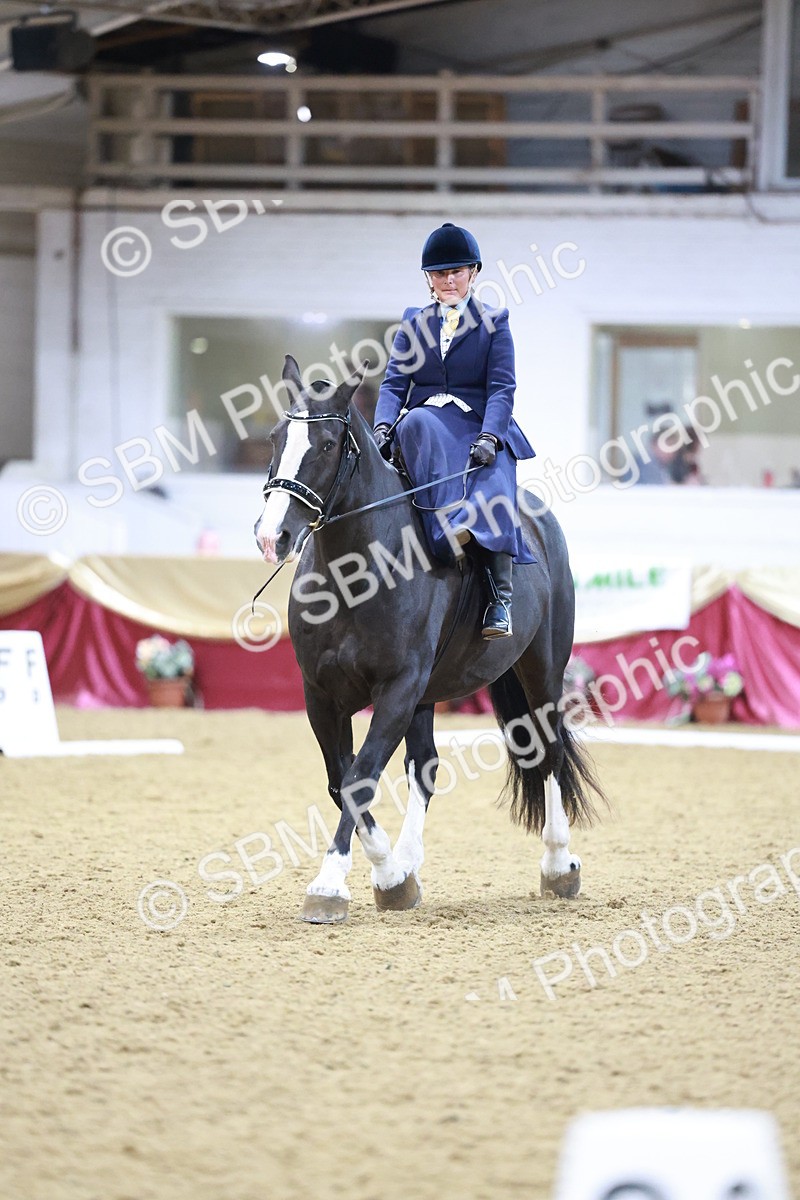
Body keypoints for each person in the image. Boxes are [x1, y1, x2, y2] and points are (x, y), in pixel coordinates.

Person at [373, 222, 536, 639]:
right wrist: (381, 426)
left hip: (477, 426)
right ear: (428, 279)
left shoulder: (495, 321)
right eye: (439, 273)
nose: (448, 280)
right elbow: (394, 384)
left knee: (496, 483)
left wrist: (490, 436)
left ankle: (500, 599)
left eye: (456, 272)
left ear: (473, 273)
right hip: (423, 426)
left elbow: (502, 387)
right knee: (416, 422)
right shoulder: (412, 322)